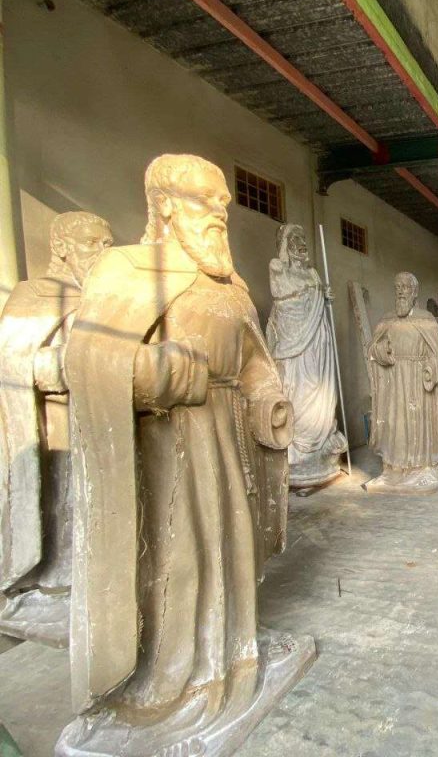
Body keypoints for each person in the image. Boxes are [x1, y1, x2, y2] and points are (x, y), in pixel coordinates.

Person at [58, 154, 313, 755]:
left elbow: (253, 362)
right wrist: (165, 375)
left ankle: (230, 656)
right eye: (206, 201)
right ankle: (170, 680)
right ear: (166, 205)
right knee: (177, 557)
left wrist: (268, 398)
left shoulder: (231, 288)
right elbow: (87, 360)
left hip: (228, 442)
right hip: (166, 445)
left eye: (224, 202)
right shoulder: (127, 269)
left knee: (230, 547)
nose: (220, 212)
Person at [0, 211, 112, 647]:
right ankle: (59, 581)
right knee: (65, 503)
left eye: (107, 243)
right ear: (62, 247)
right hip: (56, 423)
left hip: (105, 419)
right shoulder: (34, 296)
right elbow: (13, 363)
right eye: (91, 243)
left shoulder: (104, 297)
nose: (102, 251)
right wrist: (68, 365)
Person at [267, 223, 347, 487]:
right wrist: (312, 294)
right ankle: (298, 455)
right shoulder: (278, 269)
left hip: (317, 344)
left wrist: (324, 297)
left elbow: (317, 303)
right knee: (297, 393)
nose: (301, 244)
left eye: (303, 239)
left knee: (320, 393)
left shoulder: (313, 273)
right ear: (285, 245)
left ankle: (320, 449)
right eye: (294, 239)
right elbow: (282, 295)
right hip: (293, 346)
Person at [367, 271, 438, 493]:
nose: (401, 292)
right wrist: (382, 351)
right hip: (394, 382)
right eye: (397, 287)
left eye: (405, 287)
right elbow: (373, 349)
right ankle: (395, 468)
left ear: (415, 292)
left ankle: (421, 466)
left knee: (417, 422)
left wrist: (430, 369)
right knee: (396, 423)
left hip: (418, 384)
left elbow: (437, 354)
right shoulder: (387, 320)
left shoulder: (426, 320)